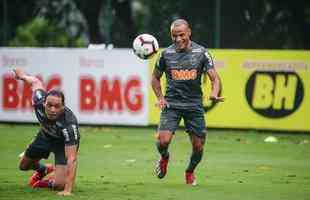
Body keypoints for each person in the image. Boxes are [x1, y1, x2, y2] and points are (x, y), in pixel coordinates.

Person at [151, 19, 224, 185]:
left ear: (189, 32)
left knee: (198, 148)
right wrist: (160, 98)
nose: (178, 39)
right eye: (174, 36)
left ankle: (190, 171)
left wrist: (214, 93)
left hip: (194, 106)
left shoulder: (202, 52)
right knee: (163, 141)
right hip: (172, 105)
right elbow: (155, 78)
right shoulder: (165, 54)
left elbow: (215, 78)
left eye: (181, 35)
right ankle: (164, 158)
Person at [14, 68, 80, 196]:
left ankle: (45, 183)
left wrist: (67, 190)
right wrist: (22, 76)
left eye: (57, 106)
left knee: (60, 185)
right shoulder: (38, 100)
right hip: (45, 136)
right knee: (23, 166)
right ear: (44, 103)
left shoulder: (69, 124)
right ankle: (44, 170)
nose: (53, 109)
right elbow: (35, 82)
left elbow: (72, 158)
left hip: (62, 144)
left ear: (63, 106)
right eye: (49, 105)